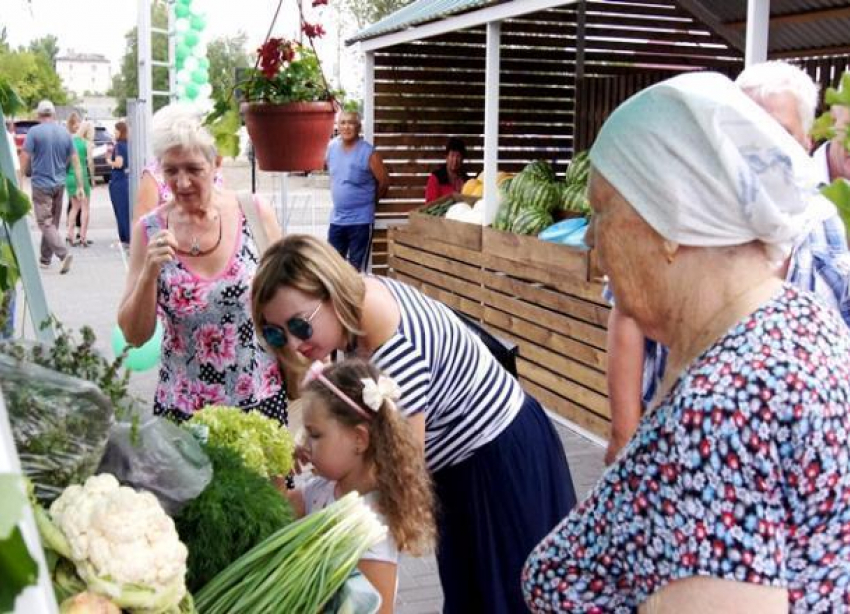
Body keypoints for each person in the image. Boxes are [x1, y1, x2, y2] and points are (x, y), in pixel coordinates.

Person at [523, 71, 850, 612]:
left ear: (670, 220)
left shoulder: (726, 405)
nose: (589, 235)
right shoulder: (791, 319)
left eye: (601, 209)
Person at [251, 234, 576, 614]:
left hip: (499, 465)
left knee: (510, 598)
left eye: (300, 326)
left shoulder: (393, 347)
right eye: (276, 333)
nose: (293, 345)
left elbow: (398, 470)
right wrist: (315, 444)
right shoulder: (354, 307)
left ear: (332, 292)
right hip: (460, 466)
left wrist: (321, 486)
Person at [603, 60, 850, 465]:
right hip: (670, 436)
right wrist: (624, 435)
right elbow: (627, 311)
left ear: (806, 141)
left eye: (781, 131)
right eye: (746, 127)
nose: (760, 144)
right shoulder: (686, 209)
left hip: (776, 457)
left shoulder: (824, 226)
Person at [117, 103, 286, 424]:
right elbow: (134, 336)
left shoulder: (253, 213)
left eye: (193, 169)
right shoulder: (149, 231)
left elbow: (291, 300)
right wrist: (149, 274)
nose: (181, 183)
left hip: (259, 400)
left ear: (216, 163)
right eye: (171, 171)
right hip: (182, 407)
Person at [288, 359, 435, 613]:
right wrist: (279, 469)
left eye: (315, 435)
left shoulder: (371, 530)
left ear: (359, 439)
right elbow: (277, 514)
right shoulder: (323, 489)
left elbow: (379, 608)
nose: (304, 444)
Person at [325, 110, 389, 272]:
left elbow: (384, 181)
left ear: (359, 127)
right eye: (343, 123)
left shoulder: (369, 153)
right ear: (338, 126)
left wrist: (371, 202)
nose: (346, 127)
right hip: (337, 220)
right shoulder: (331, 148)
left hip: (360, 221)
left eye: (351, 123)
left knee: (355, 271)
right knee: (332, 268)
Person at [19, 100, 78, 274]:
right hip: (59, 184)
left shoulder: (34, 132)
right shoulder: (65, 132)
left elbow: (24, 156)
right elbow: (74, 159)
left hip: (41, 185)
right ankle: (45, 259)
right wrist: (80, 184)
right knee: (52, 223)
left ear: (38, 115)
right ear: (53, 114)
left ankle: (63, 254)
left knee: (44, 222)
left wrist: (20, 180)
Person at [134, 155, 226, 224]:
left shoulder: (212, 171)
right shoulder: (155, 173)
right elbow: (143, 225)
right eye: (171, 171)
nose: (183, 183)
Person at [66, 120, 94, 247]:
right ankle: (83, 236)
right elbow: (90, 162)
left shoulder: (71, 140)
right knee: (85, 208)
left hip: (70, 176)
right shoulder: (87, 143)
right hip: (81, 176)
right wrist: (92, 177)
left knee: (74, 208)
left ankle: (69, 235)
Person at [107, 120, 131, 246]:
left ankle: (125, 238)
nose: (114, 132)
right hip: (125, 180)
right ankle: (127, 236)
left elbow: (119, 163)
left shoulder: (119, 146)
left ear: (120, 131)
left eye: (115, 130)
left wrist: (109, 161)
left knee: (120, 210)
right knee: (125, 209)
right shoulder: (128, 145)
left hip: (118, 180)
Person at [424, 137, 469, 204]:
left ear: (462, 159)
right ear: (446, 157)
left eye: (458, 156)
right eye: (452, 155)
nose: (455, 160)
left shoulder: (466, 180)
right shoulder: (436, 178)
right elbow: (430, 204)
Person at [5, 120, 22, 186]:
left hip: (13, 159)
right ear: (8, 126)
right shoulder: (8, 135)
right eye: (12, 126)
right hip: (12, 160)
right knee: (17, 175)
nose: (14, 127)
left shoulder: (10, 135)